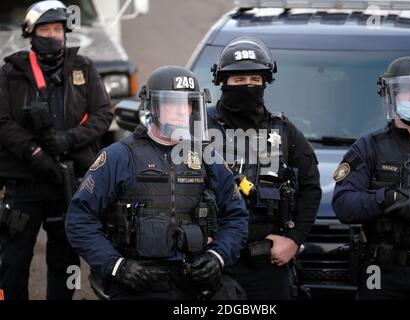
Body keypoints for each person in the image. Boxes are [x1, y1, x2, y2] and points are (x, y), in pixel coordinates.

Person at [65, 65, 249, 300]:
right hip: (136, 284)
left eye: (188, 103)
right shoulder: (118, 157)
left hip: (193, 284)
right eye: (173, 103)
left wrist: (217, 256)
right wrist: (116, 266)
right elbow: (79, 220)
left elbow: (237, 217)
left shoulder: (207, 157)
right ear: (153, 106)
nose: (182, 111)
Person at [0, 1, 113, 300]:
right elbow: (3, 121)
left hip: (68, 182)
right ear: (31, 33)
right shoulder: (11, 72)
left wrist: (69, 139)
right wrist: (34, 152)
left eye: (58, 29)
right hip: (23, 183)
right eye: (45, 29)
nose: (53, 35)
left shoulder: (84, 68)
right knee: (12, 263)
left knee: (66, 264)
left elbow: (103, 115)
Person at [208, 36, 322, 300]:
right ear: (223, 82)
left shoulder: (284, 132)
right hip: (212, 263)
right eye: (238, 80)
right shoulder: (200, 130)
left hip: (267, 264)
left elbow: (311, 188)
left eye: (255, 80)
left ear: (265, 83)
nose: (248, 86)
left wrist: (294, 240)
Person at [332, 56, 410, 300]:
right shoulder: (368, 147)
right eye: (407, 93)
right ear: (392, 96)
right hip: (381, 270)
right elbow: (343, 204)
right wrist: (387, 198)